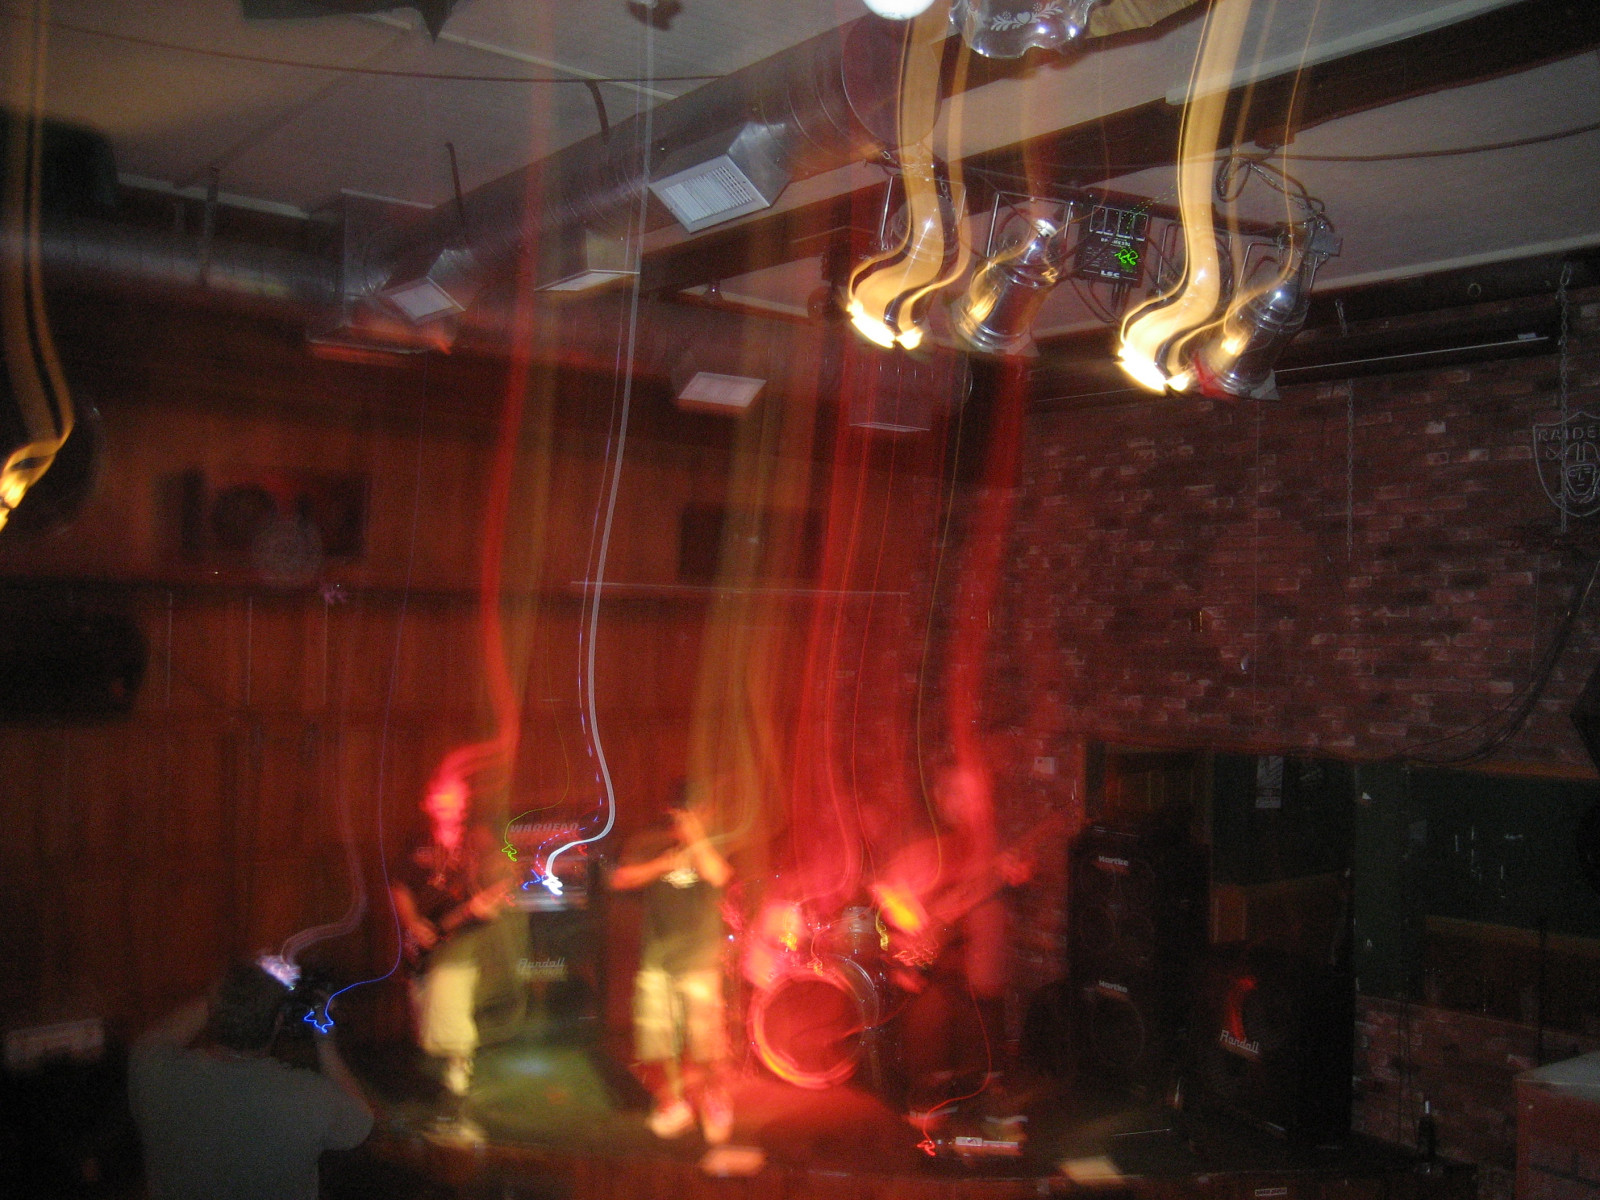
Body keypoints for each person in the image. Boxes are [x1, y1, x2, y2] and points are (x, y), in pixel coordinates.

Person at [128, 961, 372, 1200]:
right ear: (278, 1022)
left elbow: (162, 1034)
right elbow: (361, 1121)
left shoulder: (155, 1071)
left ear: (212, 1011)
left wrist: (236, 991)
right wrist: (325, 1043)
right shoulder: (308, 1098)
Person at [872, 761, 1033, 1124]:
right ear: (939, 796)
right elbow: (882, 888)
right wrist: (912, 917)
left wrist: (1018, 877)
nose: (968, 804)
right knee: (929, 1039)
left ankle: (970, 1106)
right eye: (958, 794)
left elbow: (1007, 886)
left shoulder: (985, 843)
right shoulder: (920, 834)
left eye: (975, 796)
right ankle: (927, 1110)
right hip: (926, 973)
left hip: (966, 973)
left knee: (975, 1045)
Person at [390, 760, 513, 1144]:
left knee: (453, 1029)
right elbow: (398, 886)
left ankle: (452, 1112)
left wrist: (490, 902)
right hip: (426, 947)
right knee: (433, 1030)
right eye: (442, 795)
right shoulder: (414, 843)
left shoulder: (478, 841)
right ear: (428, 802)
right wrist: (412, 923)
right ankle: (451, 1095)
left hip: (464, 945)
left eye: (456, 796)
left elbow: (504, 877)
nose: (450, 802)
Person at [611, 793, 735, 1143]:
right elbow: (621, 878)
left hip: (700, 961)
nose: (691, 818)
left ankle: (714, 1101)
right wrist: (662, 865)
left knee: (707, 1045)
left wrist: (697, 840)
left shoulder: (716, 843)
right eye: (684, 813)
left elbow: (718, 875)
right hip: (657, 961)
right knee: (657, 1045)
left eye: (698, 812)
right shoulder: (649, 842)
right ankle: (673, 1104)